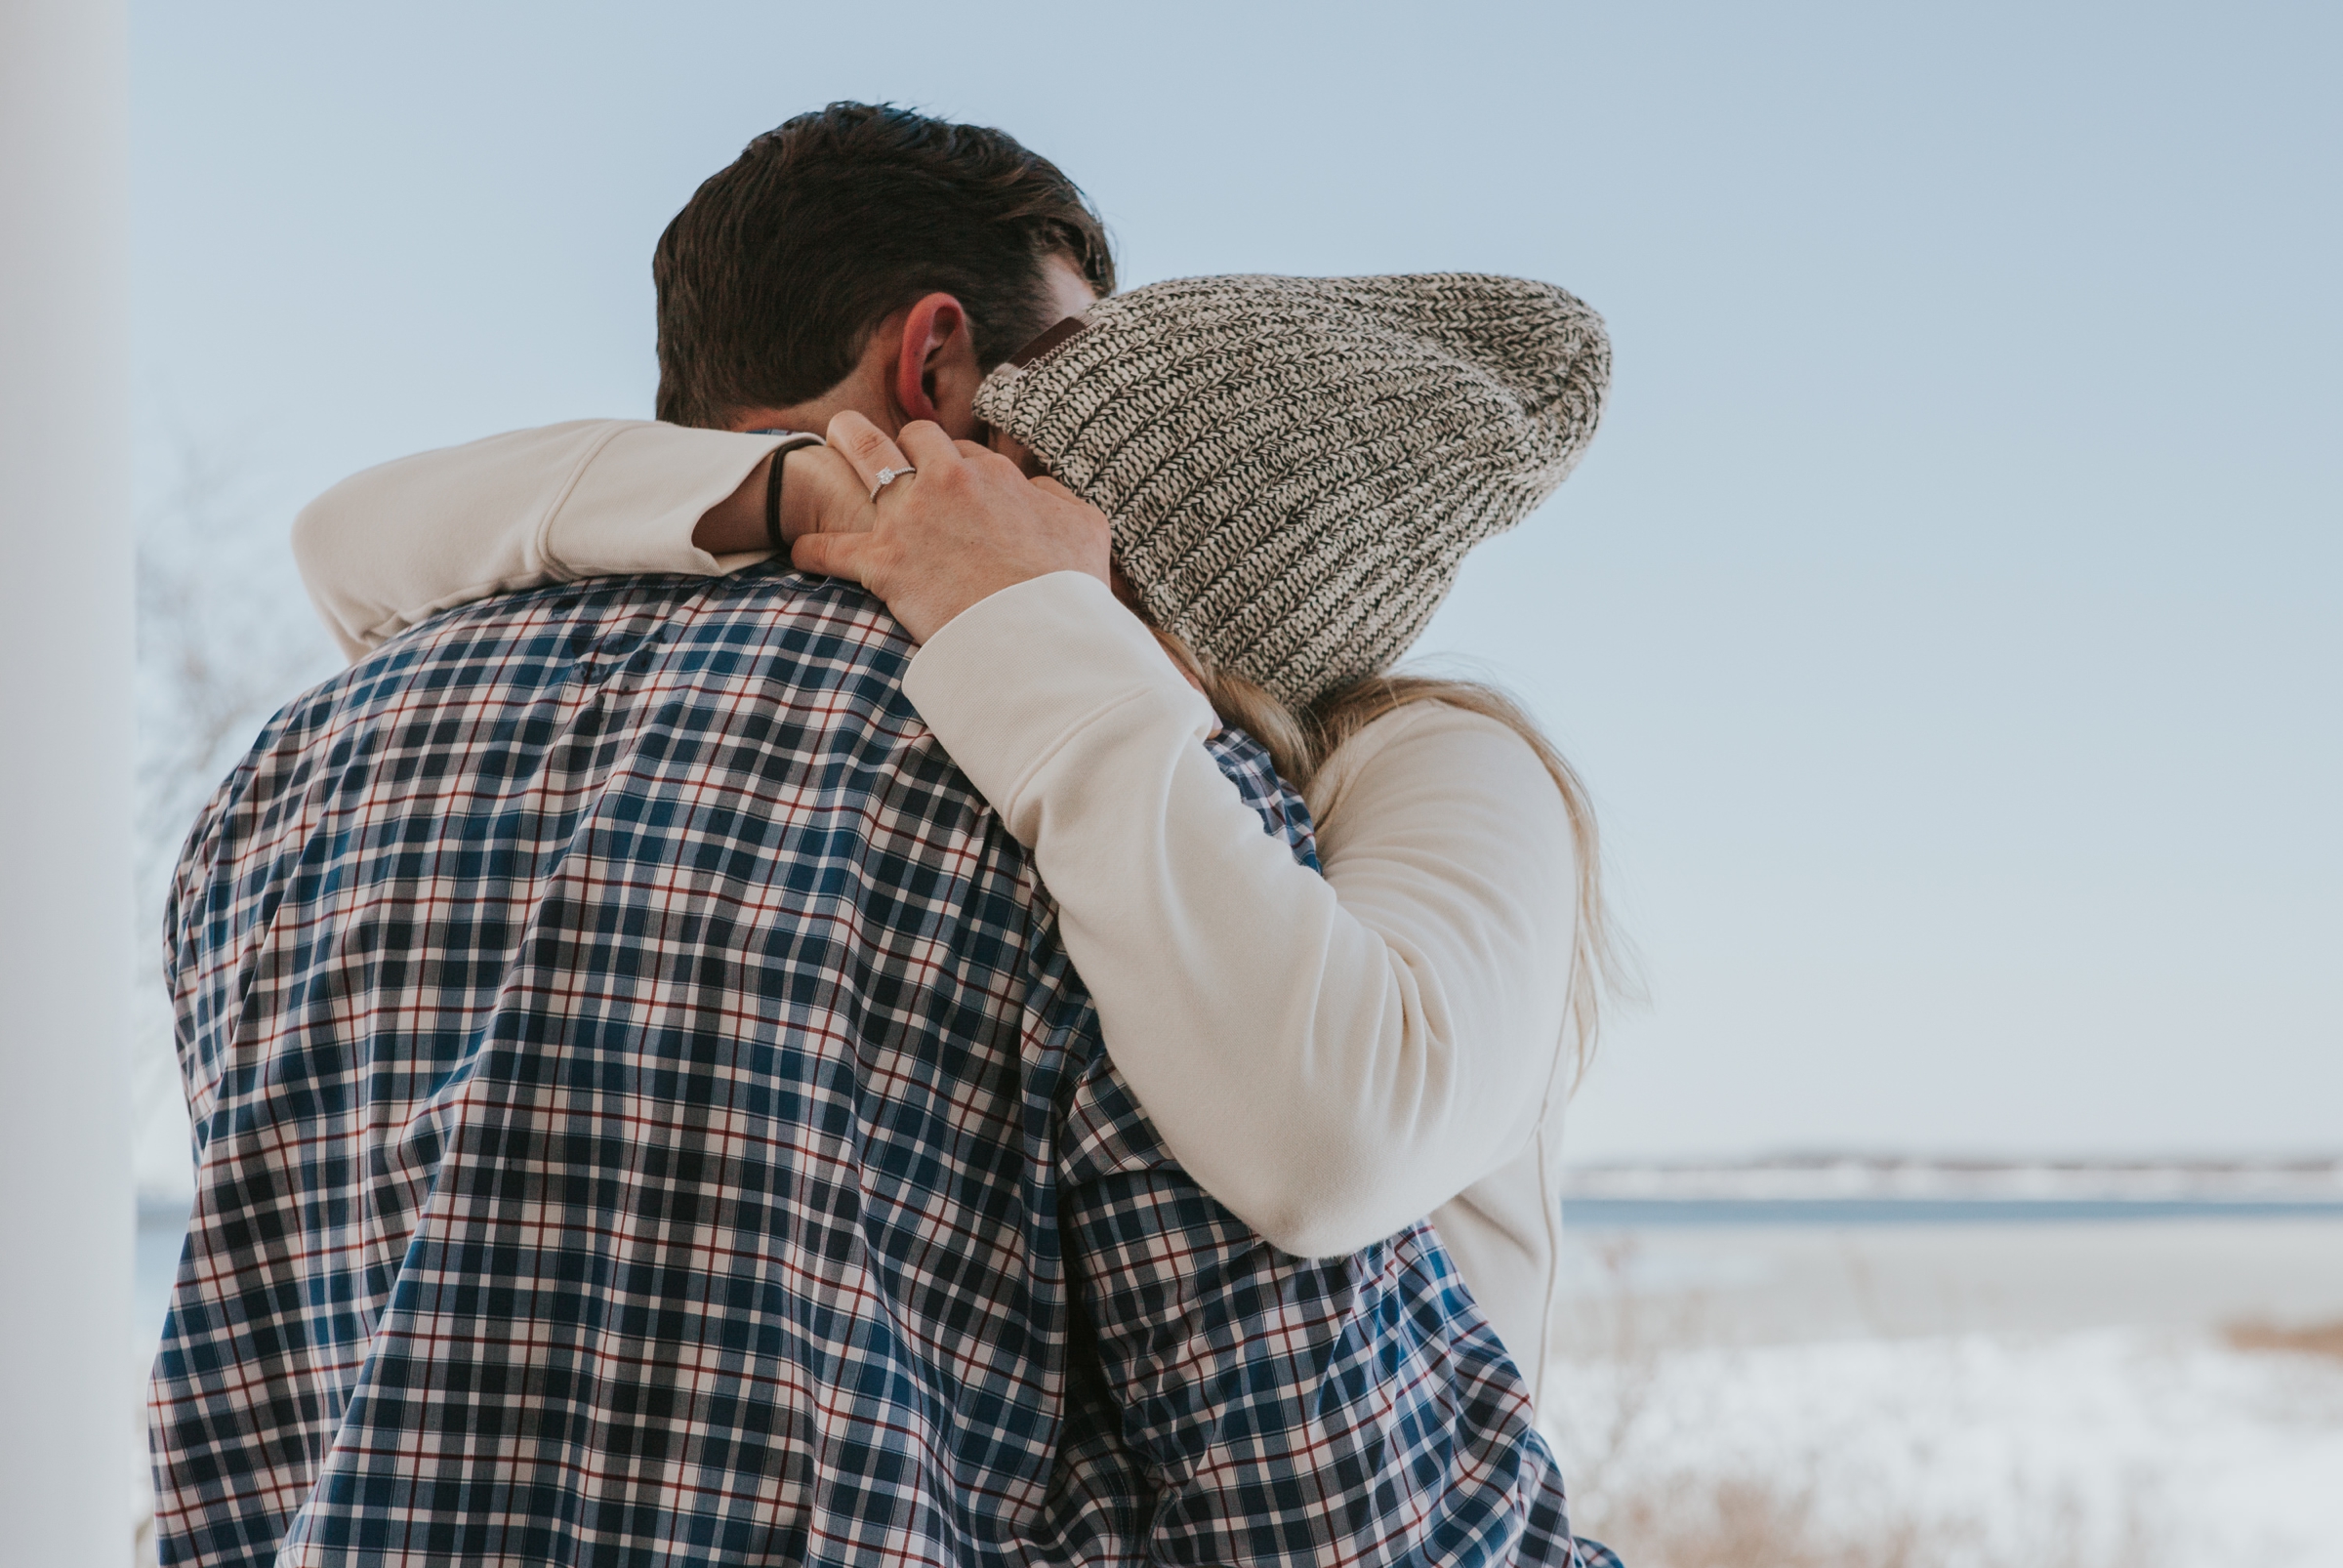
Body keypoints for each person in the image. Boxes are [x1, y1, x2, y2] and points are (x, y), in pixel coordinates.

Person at [151, 103, 1611, 1568]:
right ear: (937, 362)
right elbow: (1298, 1447)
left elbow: (229, 1393)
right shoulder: (1028, 758)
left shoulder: (290, 774)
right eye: (1069, 372)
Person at [296, 272, 1624, 1400]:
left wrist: (1029, 617)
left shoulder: (1448, 764)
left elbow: (1331, 1145)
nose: (948, 528)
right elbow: (351, 546)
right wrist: (810, 488)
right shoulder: (982, 691)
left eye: (1008, 495)